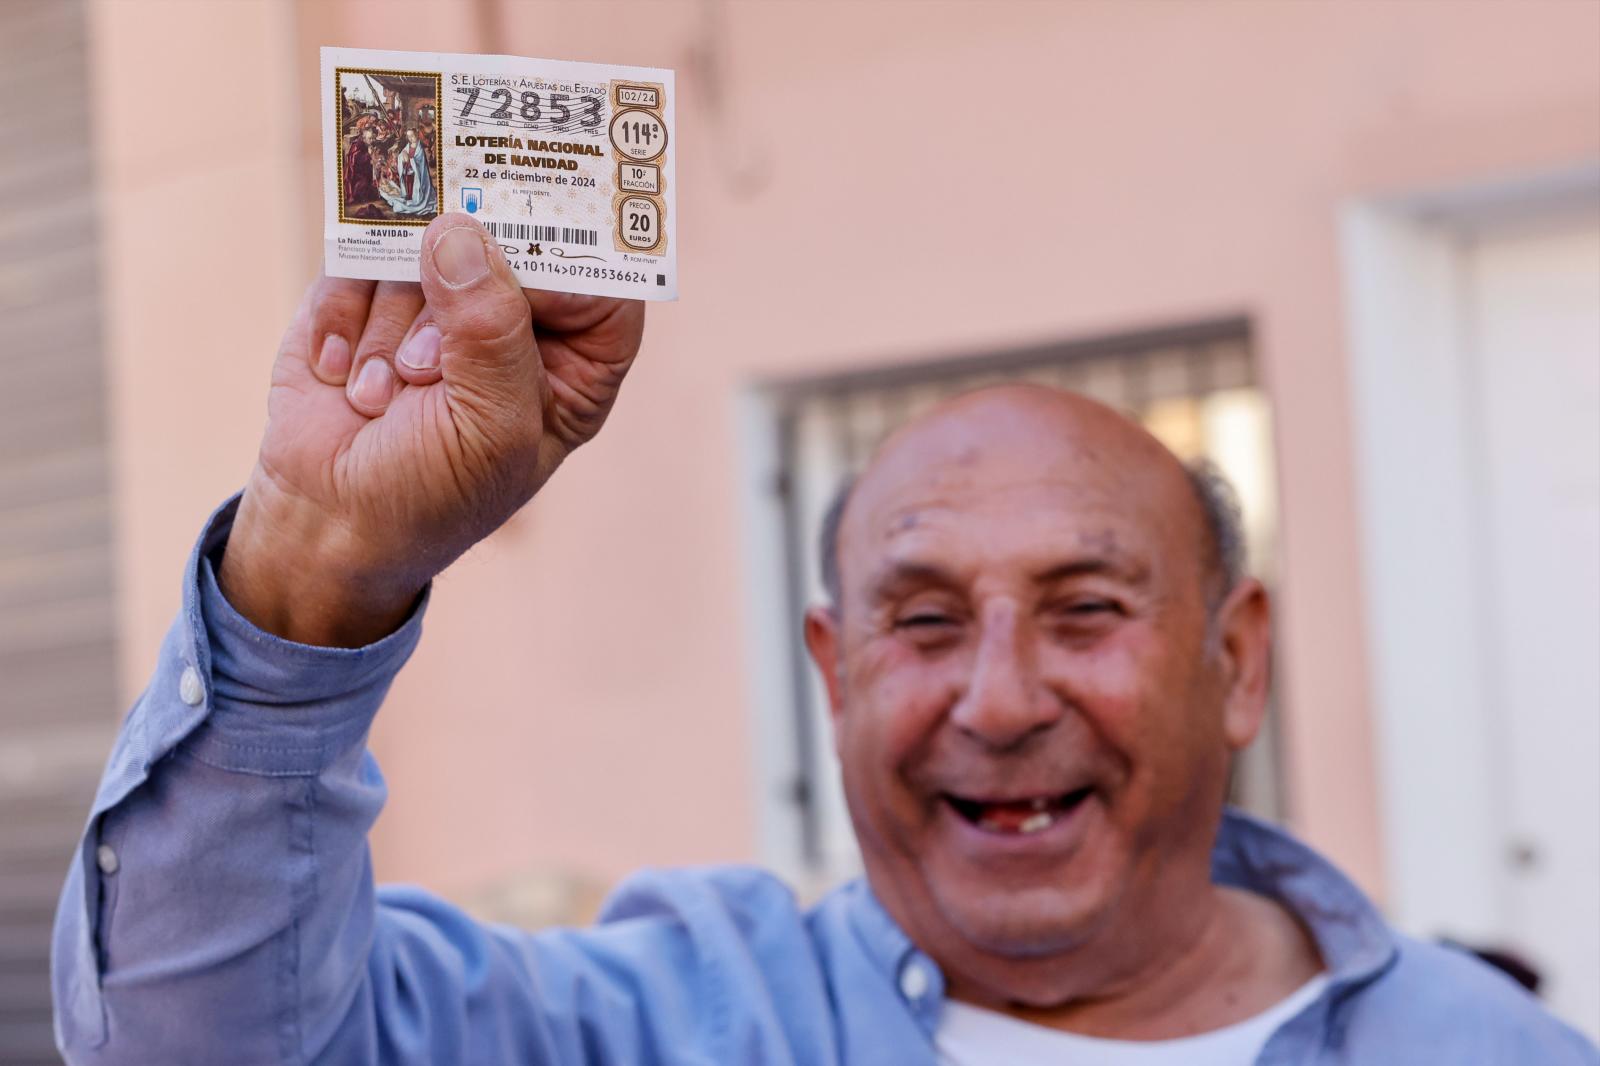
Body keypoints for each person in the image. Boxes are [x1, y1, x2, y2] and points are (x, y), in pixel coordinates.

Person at [51, 214, 1597, 1065]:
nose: (998, 700)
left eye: (1086, 607)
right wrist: (317, 568)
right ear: (832, 670)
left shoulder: (1492, 1049)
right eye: (923, 621)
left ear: (1238, 656)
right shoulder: (663, 1025)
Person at [379, 126, 435, 217]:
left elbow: (419, 162)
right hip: (407, 169)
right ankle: (409, 197)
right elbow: (402, 154)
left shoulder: (419, 148)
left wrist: (410, 159)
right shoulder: (408, 146)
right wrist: (403, 155)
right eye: (409, 137)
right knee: (408, 184)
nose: (410, 138)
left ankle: (415, 198)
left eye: (412, 136)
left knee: (413, 185)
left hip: (416, 172)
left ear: (416, 135)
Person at [343, 125, 381, 208]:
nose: (371, 140)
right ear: (364, 138)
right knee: (364, 189)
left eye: (372, 138)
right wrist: (369, 155)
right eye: (369, 138)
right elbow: (355, 161)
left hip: (364, 172)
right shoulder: (357, 145)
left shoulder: (367, 144)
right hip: (356, 175)